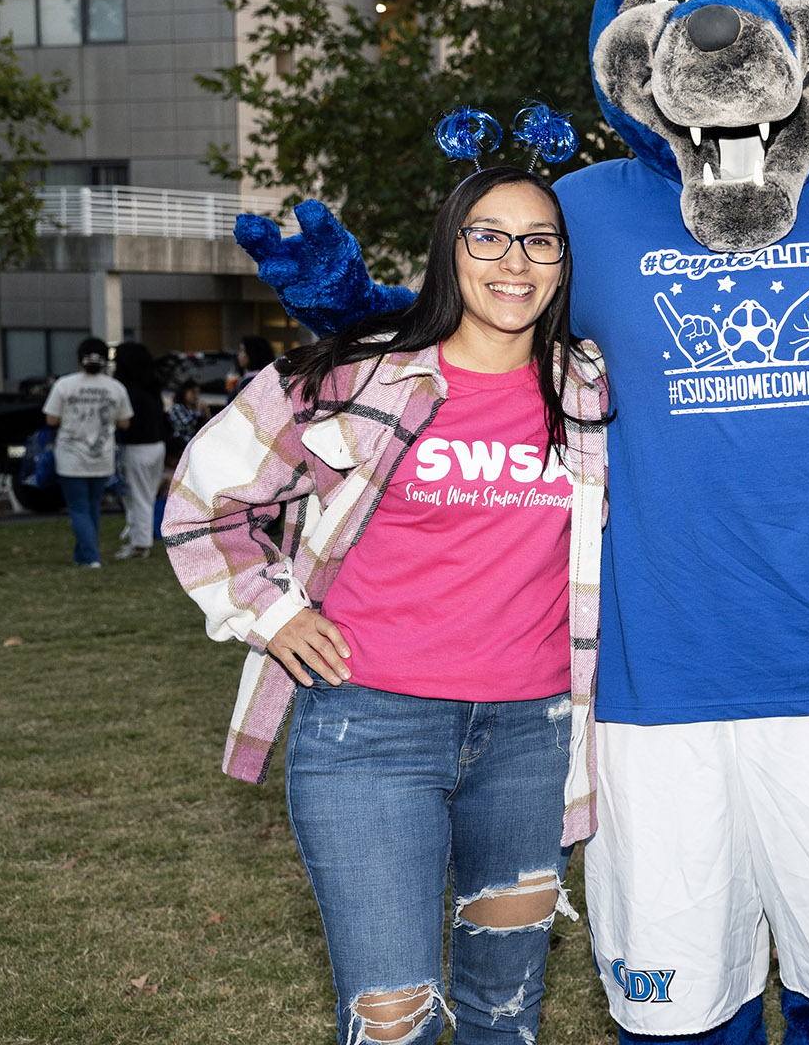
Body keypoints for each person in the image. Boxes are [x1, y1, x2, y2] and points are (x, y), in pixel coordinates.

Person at [164, 166, 610, 1045]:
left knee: (505, 1011)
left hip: (534, 735)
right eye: (487, 236)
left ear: (563, 264)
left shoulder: (591, 390)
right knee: (389, 1018)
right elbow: (204, 502)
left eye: (539, 241)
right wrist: (275, 612)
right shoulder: (356, 379)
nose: (513, 261)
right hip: (367, 735)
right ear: (450, 250)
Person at [42, 337, 131, 568]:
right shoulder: (115, 387)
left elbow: (51, 418)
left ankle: (91, 557)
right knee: (92, 507)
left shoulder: (64, 384)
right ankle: (81, 556)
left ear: (79, 359)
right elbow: (124, 423)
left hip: (70, 457)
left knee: (79, 508)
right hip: (102, 456)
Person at [111, 341, 168, 559]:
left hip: (136, 449)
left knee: (137, 498)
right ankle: (139, 541)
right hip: (156, 446)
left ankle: (140, 545)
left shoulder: (125, 389)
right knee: (147, 496)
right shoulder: (151, 387)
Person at [166, 381, 210, 459]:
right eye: (193, 392)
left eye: (198, 393)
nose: (196, 396)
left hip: (195, 447)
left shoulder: (196, 409)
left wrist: (206, 415)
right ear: (184, 392)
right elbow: (185, 425)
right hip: (179, 447)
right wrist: (199, 413)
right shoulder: (177, 408)